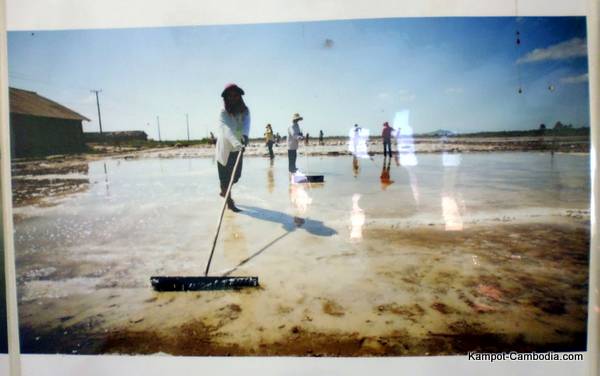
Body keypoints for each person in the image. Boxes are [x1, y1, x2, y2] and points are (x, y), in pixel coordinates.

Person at [215, 83, 250, 212]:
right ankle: (229, 202)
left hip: (238, 149)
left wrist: (245, 136)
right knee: (226, 179)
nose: (233, 98)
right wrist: (237, 143)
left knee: (235, 176)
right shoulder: (223, 112)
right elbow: (226, 130)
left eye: (235, 95)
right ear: (226, 98)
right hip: (225, 149)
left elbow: (246, 125)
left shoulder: (245, 111)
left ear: (239, 97)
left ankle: (224, 191)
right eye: (230, 96)